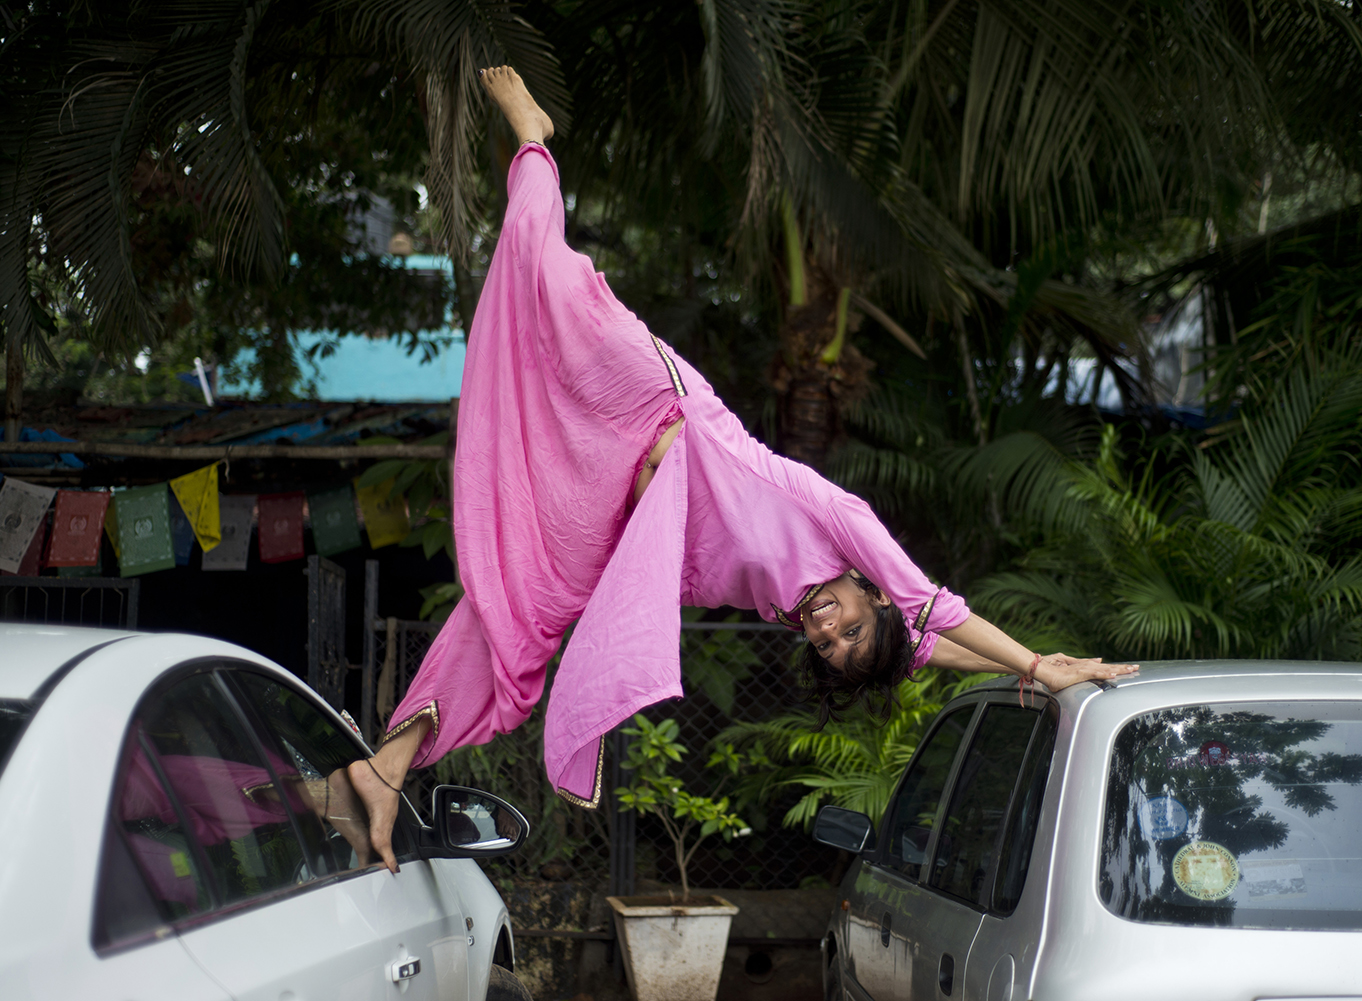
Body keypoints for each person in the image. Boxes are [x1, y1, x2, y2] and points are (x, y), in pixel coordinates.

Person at [349, 66, 1138, 873]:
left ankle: (382, 767)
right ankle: (533, 140)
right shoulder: (843, 521)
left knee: (522, 607)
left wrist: (1021, 678)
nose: (830, 631)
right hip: (661, 408)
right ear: (868, 591)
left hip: (625, 510)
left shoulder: (783, 604)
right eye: (850, 626)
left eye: (831, 647)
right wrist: (1039, 663)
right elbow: (932, 609)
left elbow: (920, 645)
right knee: (549, 279)